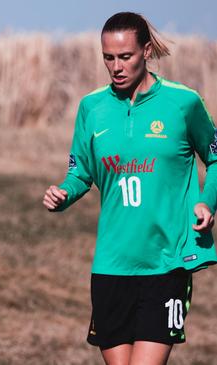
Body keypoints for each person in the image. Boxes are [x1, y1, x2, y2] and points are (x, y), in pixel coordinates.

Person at [43, 11, 217, 365]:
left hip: (166, 264)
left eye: (126, 56)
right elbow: (80, 173)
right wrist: (63, 193)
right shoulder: (91, 107)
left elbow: (215, 156)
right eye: (108, 57)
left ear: (146, 51)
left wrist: (207, 202)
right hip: (111, 266)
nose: (116, 66)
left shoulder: (182, 103)